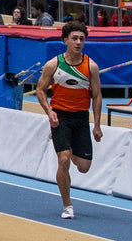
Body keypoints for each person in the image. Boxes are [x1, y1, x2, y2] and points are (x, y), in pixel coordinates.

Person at [35, 20, 103, 220]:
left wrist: (97, 125)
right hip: (60, 117)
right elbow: (40, 90)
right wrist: (49, 112)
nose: (78, 42)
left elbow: (97, 95)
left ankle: (71, 149)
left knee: (83, 167)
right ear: (65, 40)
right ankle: (67, 205)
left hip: (80, 118)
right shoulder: (53, 65)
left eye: (82, 39)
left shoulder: (91, 67)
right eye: (74, 38)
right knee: (63, 160)